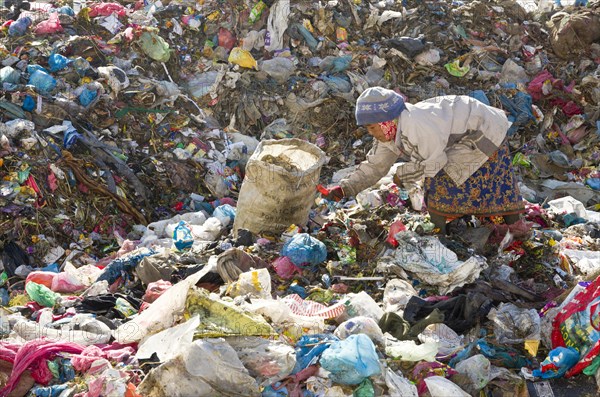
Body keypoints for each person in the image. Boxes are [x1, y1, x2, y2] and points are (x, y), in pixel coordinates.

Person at [321, 87, 525, 234]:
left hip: (484, 129)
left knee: (454, 179)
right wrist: (345, 189)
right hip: (461, 136)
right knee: (449, 177)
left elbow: (435, 163)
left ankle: (444, 232)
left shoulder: (417, 125)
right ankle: (453, 226)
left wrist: (403, 175)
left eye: (372, 127)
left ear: (386, 121)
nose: (370, 133)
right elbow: (375, 166)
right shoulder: (389, 132)